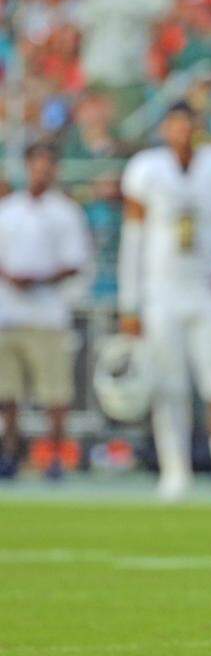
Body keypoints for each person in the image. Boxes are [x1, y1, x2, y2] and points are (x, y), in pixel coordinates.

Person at [118, 102, 211, 503]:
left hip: (206, 288)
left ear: (197, 127)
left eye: (187, 124)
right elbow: (133, 239)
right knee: (169, 385)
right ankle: (174, 472)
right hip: (161, 291)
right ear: (164, 129)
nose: (180, 131)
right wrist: (131, 302)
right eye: (174, 124)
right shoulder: (147, 169)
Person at [0, 144, 91, 478]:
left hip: (48, 315)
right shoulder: (8, 210)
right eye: (35, 165)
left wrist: (38, 278)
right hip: (9, 314)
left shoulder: (65, 213)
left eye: (46, 166)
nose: (40, 172)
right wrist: (11, 277)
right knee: (7, 392)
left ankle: (54, 455)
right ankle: (10, 451)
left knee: (55, 393)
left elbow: (75, 262)